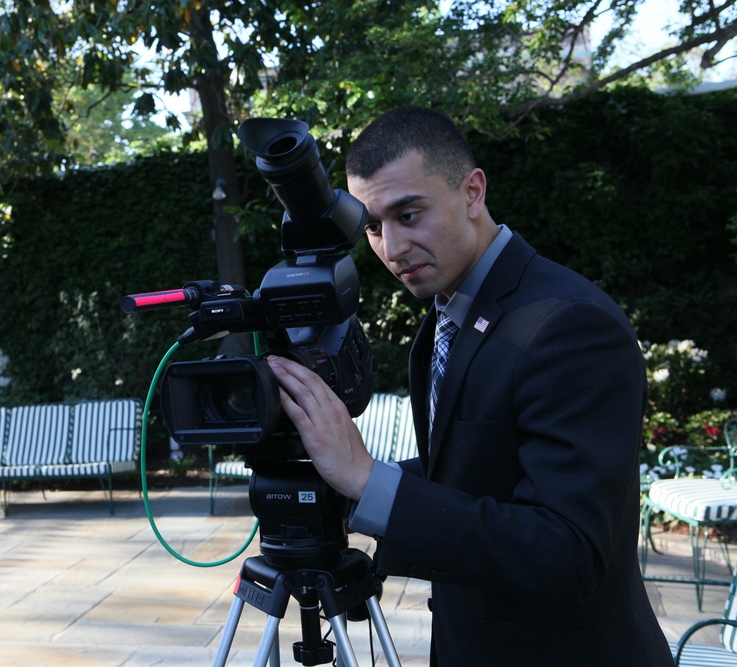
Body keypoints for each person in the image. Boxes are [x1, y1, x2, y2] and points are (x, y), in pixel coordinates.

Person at [265, 106, 674, 666]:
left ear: (473, 192)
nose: (392, 247)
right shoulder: (450, 310)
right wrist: (343, 487)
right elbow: (474, 471)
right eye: (374, 227)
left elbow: (568, 553)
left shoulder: (570, 323)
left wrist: (369, 477)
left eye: (409, 214)